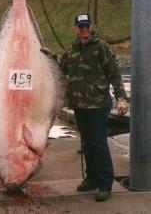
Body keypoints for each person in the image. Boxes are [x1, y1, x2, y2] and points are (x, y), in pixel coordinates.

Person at [41, 13, 128, 202]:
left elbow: (114, 73)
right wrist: (53, 56)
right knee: (87, 143)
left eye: (87, 26)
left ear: (91, 27)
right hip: (79, 105)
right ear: (76, 29)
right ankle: (92, 178)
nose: (84, 30)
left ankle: (105, 184)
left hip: (98, 104)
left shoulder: (101, 46)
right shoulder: (72, 50)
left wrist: (121, 97)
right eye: (81, 27)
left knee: (98, 143)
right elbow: (64, 68)